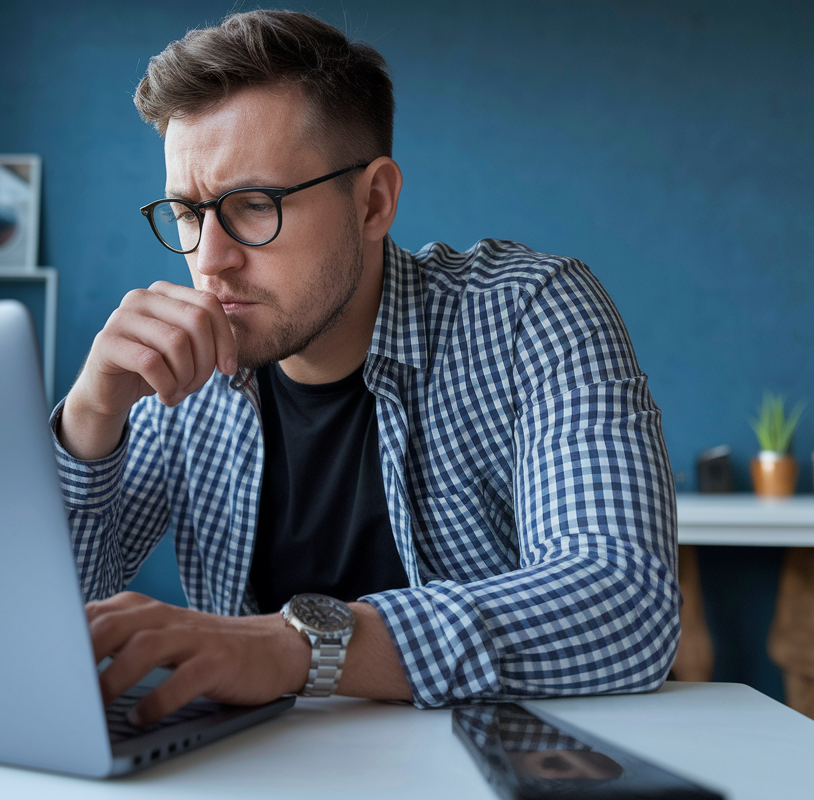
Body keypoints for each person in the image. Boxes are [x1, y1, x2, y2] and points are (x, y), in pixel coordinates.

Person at [51, 9, 678, 727]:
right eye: (188, 213)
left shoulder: (528, 315)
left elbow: (624, 603)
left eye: (254, 206)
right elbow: (51, 622)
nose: (210, 258)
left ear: (374, 200)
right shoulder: (184, 369)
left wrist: (291, 649)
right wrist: (89, 423)